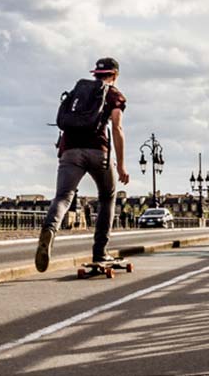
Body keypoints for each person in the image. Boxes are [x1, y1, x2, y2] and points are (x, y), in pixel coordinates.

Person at [36, 58, 130, 272]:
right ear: (114, 74)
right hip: (98, 151)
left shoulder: (78, 92)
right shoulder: (113, 94)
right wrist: (122, 165)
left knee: (63, 197)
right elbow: (117, 127)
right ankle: (100, 251)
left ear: (95, 73)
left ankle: (50, 228)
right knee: (108, 196)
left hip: (69, 150)